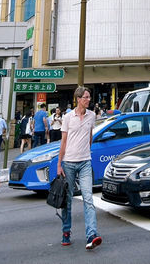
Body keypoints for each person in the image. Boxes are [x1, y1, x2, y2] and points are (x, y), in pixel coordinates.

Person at [56, 86, 101, 250]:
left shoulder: (92, 116)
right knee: (67, 200)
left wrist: (86, 152)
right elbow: (64, 142)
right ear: (78, 99)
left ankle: (92, 235)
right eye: (86, 97)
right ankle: (66, 231)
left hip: (85, 163)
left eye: (89, 97)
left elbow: (89, 137)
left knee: (88, 198)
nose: (89, 100)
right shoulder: (68, 117)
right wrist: (59, 164)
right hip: (68, 163)